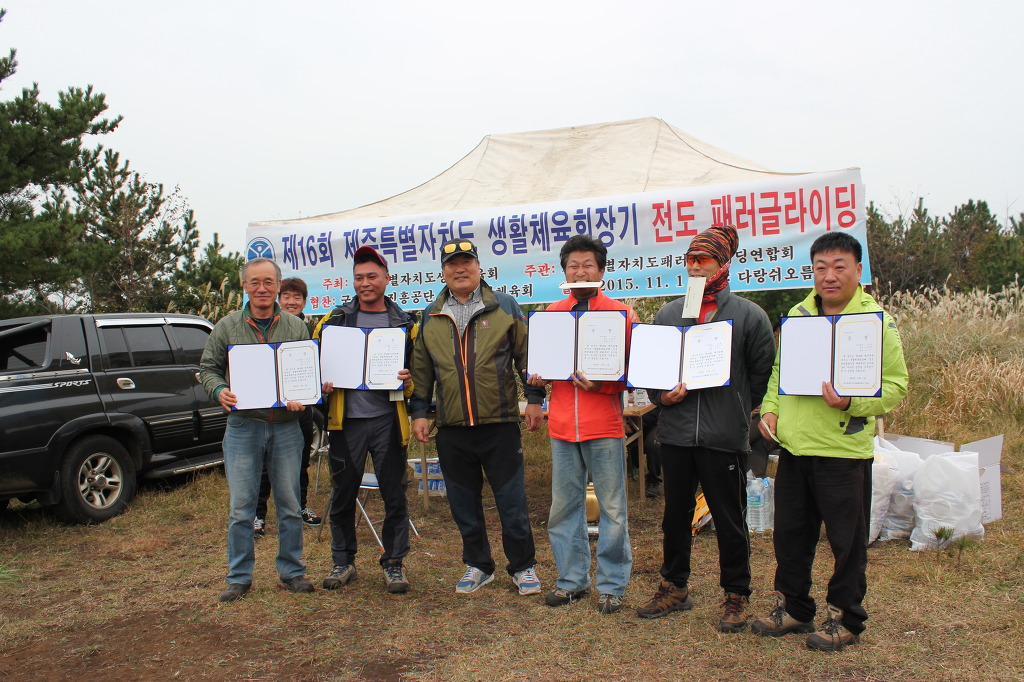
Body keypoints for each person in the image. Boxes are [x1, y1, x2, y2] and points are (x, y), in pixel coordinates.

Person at [751, 232, 908, 651]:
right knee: (790, 537)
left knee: (846, 543)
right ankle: (795, 607)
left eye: (840, 267)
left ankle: (846, 618)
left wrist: (851, 402)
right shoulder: (799, 314)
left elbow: (896, 386)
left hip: (842, 451)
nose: (829, 276)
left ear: (858, 270)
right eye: (821, 268)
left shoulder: (876, 322)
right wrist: (770, 410)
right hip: (795, 448)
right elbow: (779, 373)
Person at [635, 224, 774, 633]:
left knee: (730, 520)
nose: (695, 267)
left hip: (722, 436)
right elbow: (653, 372)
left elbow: (761, 377)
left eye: (704, 260)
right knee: (675, 516)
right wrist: (663, 397)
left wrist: (735, 410)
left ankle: (736, 594)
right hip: (676, 433)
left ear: (723, 264)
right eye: (690, 260)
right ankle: (674, 586)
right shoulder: (668, 314)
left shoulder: (749, 315)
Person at [409, 237, 545, 595]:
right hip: (452, 427)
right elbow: (422, 369)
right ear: (443, 272)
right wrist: (419, 412)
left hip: (499, 424)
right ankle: (478, 565)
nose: (460, 269)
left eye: (466, 262)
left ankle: (523, 566)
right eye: (452, 264)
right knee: (463, 504)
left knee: (512, 501)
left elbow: (527, 356)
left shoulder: (504, 306)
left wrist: (534, 399)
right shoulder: (431, 314)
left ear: (479, 267)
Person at [526, 235, 639, 614]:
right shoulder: (551, 313)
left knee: (613, 510)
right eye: (573, 266)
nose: (580, 271)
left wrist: (602, 385)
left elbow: (636, 371)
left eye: (587, 265)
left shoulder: (621, 314)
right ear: (564, 272)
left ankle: (612, 584)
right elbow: (538, 366)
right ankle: (571, 581)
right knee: (563, 508)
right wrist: (537, 380)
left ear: (601, 270)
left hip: (604, 426)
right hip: (561, 428)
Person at [199, 257, 315, 602]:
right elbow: (208, 369)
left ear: (278, 286)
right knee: (241, 509)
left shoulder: (296, 327)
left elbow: (304, 372)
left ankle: (291, 571)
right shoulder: (226, 327)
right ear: (244, 286)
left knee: (289, 505)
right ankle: (239, 577)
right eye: (254, 282)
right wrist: (219, 390)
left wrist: (301, 397)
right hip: (243, 427)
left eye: (268, 282)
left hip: (286, 428)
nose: (261, 289)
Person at [313, 246, 417, 594]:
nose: (365, 283)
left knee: (394, 494)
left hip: (388, 421)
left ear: (386, 278)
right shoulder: (334, 321)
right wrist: (321, 383)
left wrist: (408, 381)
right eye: (359, 278)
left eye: (372, 276)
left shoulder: (405, 324)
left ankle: (394, 563)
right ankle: (343, 561)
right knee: (343, 493)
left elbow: (419, 375)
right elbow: (312, 365)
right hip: (346, 423)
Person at [254, 277, 322, 538]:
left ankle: (300, 507)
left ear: (304, 302)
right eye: (287, 296)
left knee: (301, 461)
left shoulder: (310, 331)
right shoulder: (265, 328)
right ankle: (258, 516)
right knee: (264, 465)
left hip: (301, 409)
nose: (292, 302)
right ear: (278, 299)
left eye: (297, 297)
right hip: (267, 410)